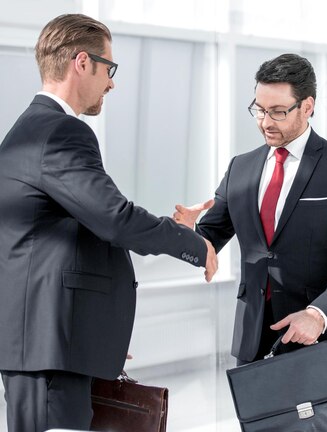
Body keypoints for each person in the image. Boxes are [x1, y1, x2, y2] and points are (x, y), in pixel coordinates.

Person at [0, 14, 218, 432]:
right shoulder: (60, 131)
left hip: (48, 346)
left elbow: (60, 242)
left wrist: (96, 327)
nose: (112, 83)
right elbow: (115, 219)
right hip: (48, 353)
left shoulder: (32, 130)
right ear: (82, 63)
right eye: (109, 69)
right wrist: (193, 244)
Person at [174, 53, 327, 364]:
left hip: (318, 337)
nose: (265, 122)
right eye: (259, 110)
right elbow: (210, 238)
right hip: (253, 336)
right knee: (255, 415)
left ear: (307, 107)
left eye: (277, 112)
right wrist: (187, 232)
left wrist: (319, 314)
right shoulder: (241, 168)